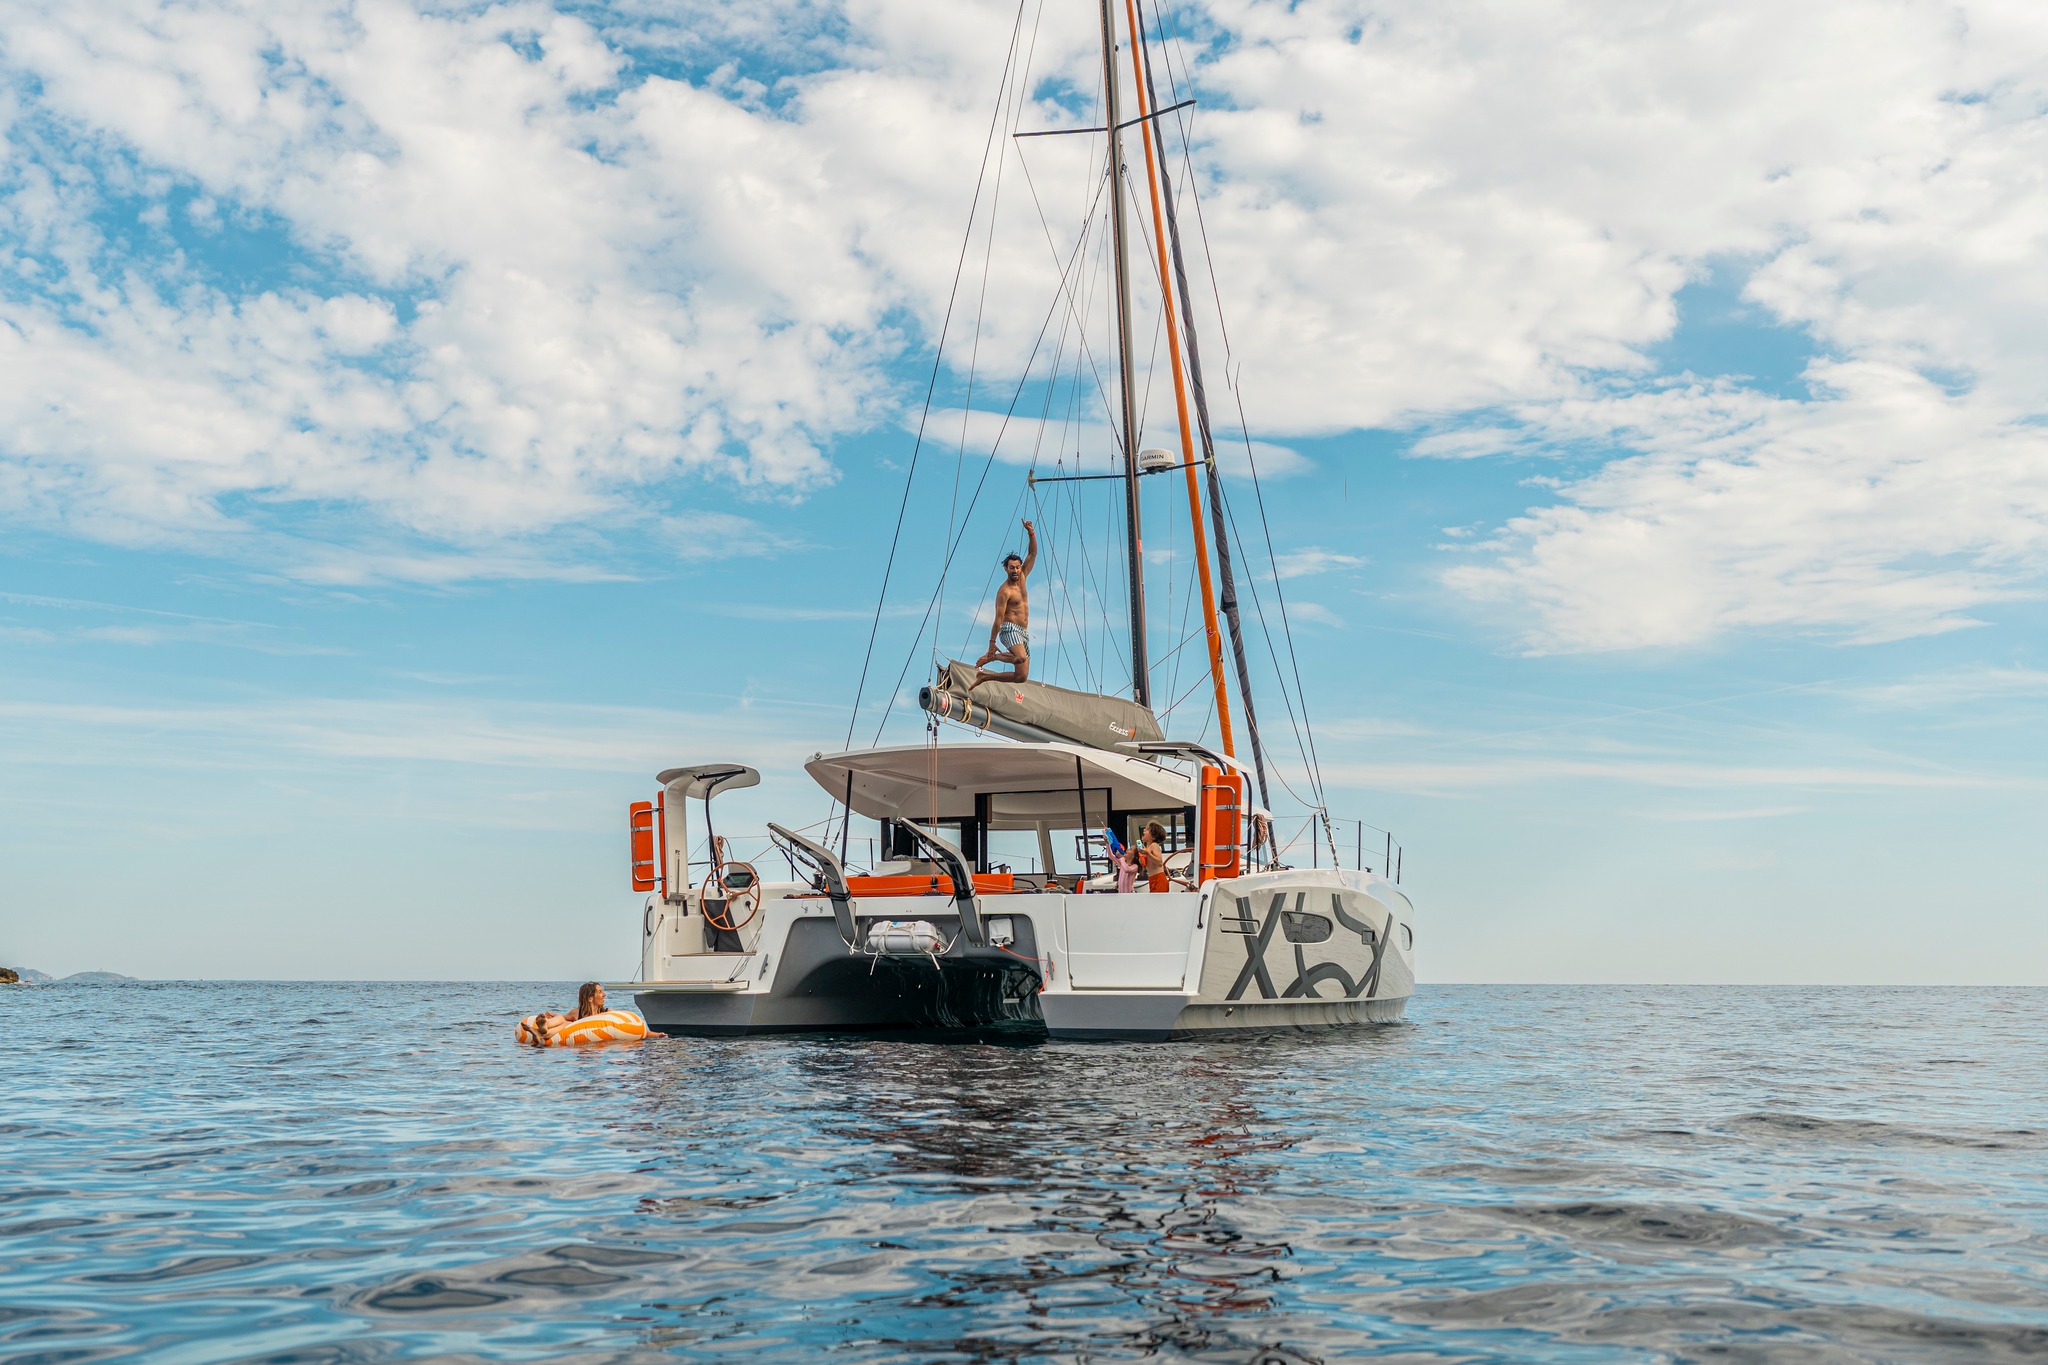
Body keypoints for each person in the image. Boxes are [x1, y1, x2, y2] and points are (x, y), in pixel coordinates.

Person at [972, 520, 1036, 690]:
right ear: (1006, 569)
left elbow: (1033, 553)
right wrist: (992, 643)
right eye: (1011, 568)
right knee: (1020, 658)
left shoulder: (1023, 577)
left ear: (1020, 567)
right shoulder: (1004, 591)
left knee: (1021, 676)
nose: (1015, 571)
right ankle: (992, 656)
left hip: (1023, 631)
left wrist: (1031, 532)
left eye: (1017, 567)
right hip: (1009, 629)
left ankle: (985, 677)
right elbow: (998, 619)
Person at [1138, 821, 1170, 893]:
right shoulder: (1148, 848)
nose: (1144, 830)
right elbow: (1144, 863)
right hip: (1152, 879)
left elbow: (1159, 862)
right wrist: (1142, 855)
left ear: (1153, 837)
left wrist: (1147, 853)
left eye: (1147, 829)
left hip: (1158, 879)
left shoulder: (1154, 845)